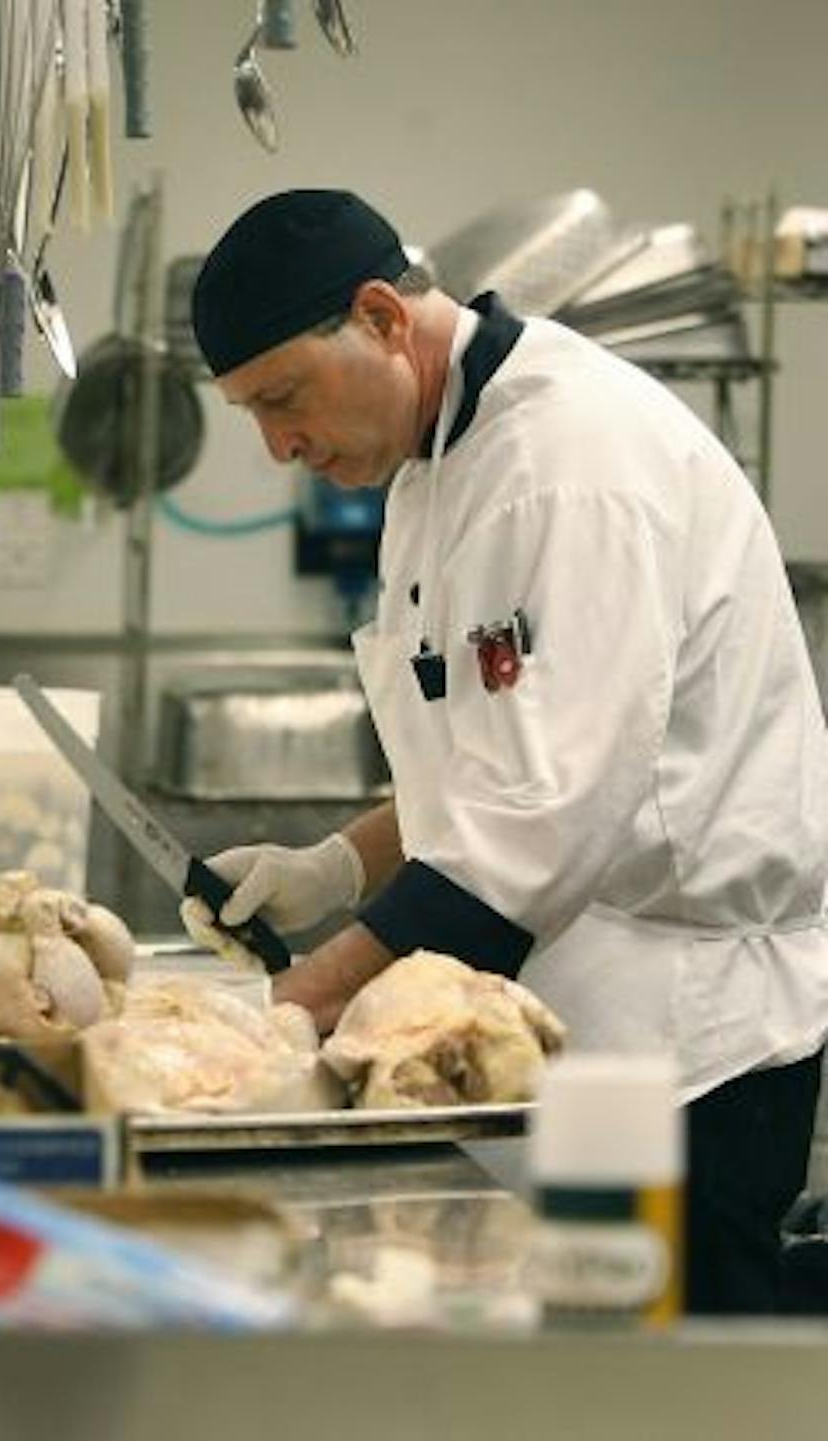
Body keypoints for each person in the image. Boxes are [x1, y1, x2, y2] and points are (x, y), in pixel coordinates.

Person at [183, 188, 828, 1315]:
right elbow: (490, 752)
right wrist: (335, 865)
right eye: (250, 412)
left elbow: (542, 821)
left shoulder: (573, 465)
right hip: (564, 1027)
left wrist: (290, 1009)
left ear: (382, 316)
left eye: (282, 398)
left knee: (667, 1396)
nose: (278, 444)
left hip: (685, 1042)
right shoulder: (432, 468)